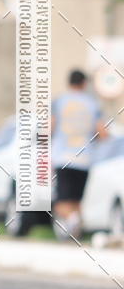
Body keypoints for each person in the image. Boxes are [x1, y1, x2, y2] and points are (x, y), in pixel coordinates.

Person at [52, 69, 108, 239]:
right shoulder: (93, 104)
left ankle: (73, 221)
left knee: (61, 202)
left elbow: (49, 128)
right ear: (84, 84)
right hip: (84, 159)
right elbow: (103, 133)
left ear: (69, 82)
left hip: (63, 158)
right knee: (76, 200)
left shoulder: (60, 102)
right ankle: (74, 234)